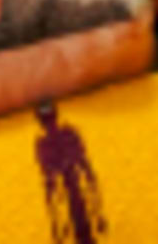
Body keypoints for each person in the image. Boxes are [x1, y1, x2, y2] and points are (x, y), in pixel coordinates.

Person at [36, 99, 108, 244]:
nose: (50, 125)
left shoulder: (61, 137)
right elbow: (49, 182)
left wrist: (98, 211)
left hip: (76, 192)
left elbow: (86, 169)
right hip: (69, 195)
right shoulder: (47, 143)